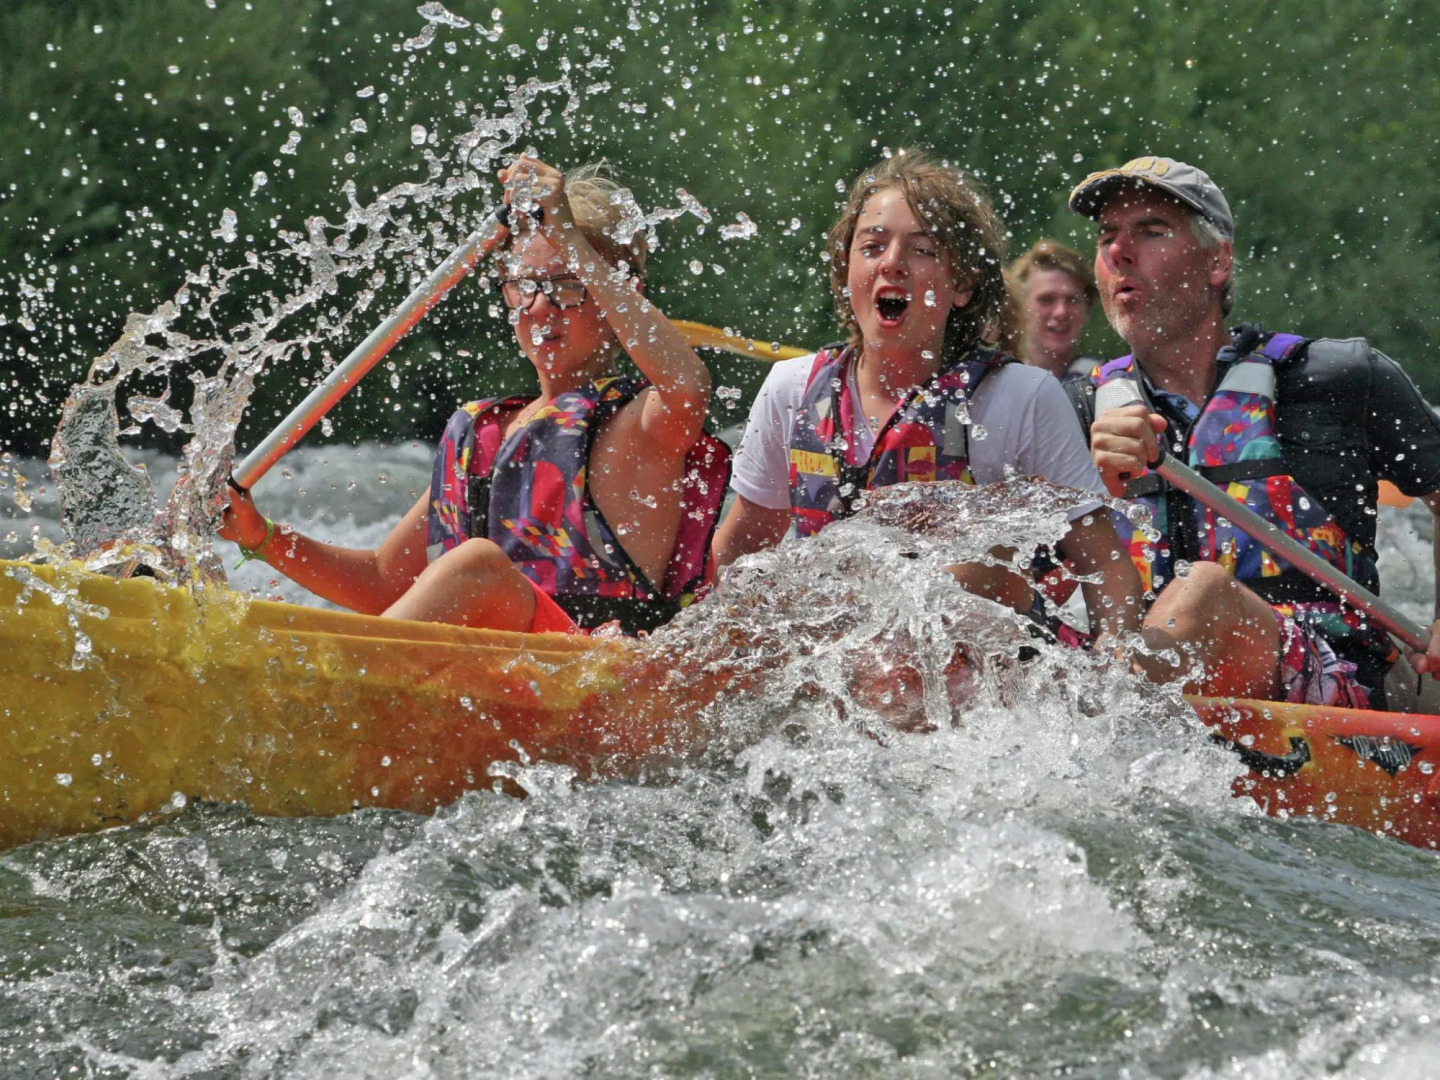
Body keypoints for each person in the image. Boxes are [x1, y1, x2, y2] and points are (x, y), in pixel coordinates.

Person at [220, 156, 729, 636]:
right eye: (523, 286)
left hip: (598, 685)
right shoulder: (483, 433)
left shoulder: (640, 426)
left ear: (620, 293)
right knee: (465, 569)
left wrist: (570, 236)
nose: (539, 308)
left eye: (567, 286)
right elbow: (382, 583)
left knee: (475, 566)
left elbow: (687, 385)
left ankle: (320, 689)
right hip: (497, 684)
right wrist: (259, 536)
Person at [711, 149, 1141, 642]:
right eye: (872, 247)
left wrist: (1115, 672)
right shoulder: (791, 389)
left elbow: (1105, 565)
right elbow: (738, 556)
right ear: (847, 273)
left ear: (962, 285)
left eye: (922, 250)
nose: (892, 264)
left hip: (984, 664)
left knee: (957, 582)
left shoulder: (1022, 396)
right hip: (841, 660)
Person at [1064, 154, 1440, 706]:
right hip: (1147, 670)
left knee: (1204, 590)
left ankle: (1095, 736)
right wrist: (1094, 494)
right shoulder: (1075, 409)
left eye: (1151, 231)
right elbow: (1027, 574)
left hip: (1328, 677)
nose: (1120, 251)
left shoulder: (1339, 377)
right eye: (1107, 235)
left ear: (1217, 263)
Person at [1006, 240, 1099, 380]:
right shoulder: (995, 383)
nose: (1061, 312)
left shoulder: (1108, 385)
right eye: (1047, 299)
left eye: (1072, 300)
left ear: (1086, 308)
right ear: (1019, 308)